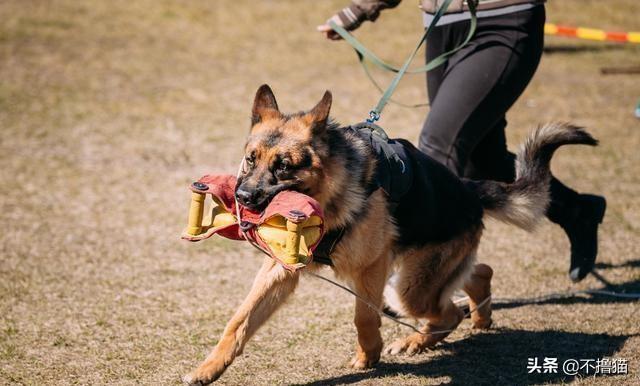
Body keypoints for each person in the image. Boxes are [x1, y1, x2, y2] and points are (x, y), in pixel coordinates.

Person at [317, 0, 606, 282]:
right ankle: (577, 211)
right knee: (483, 160)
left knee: (439, 147)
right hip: (441, 25)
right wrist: (357, 10)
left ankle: (421, 276)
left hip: (505, 21)